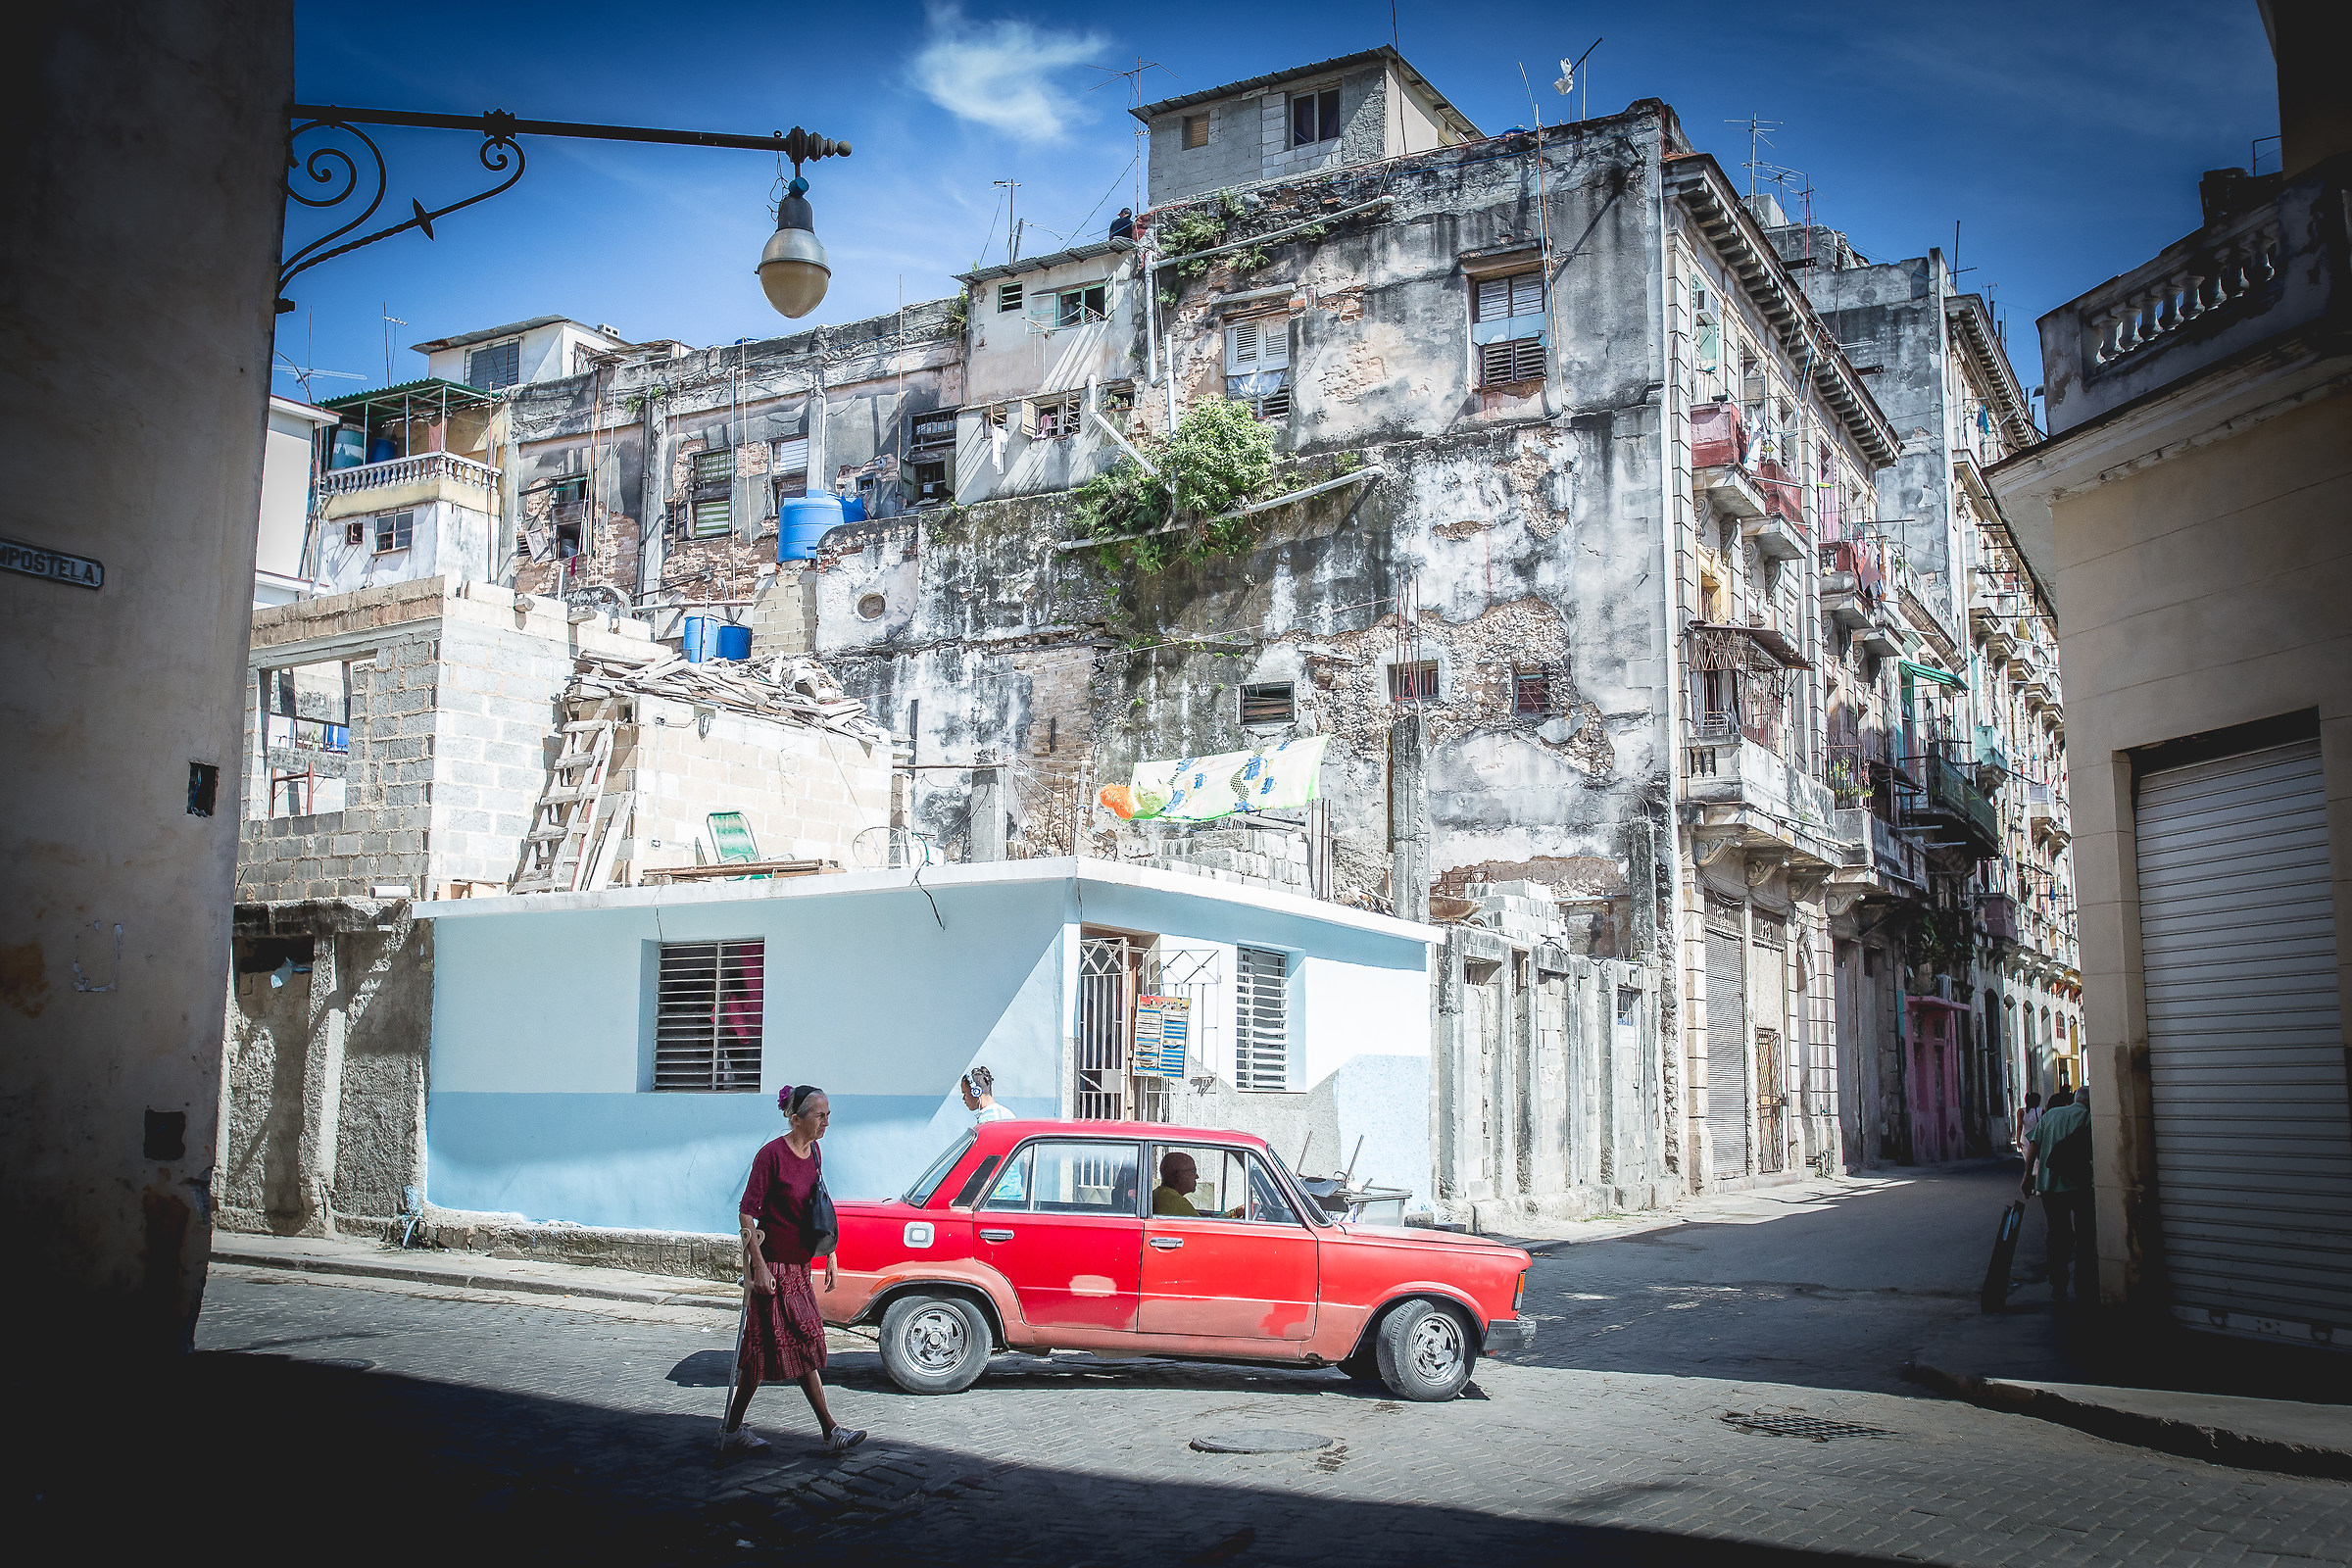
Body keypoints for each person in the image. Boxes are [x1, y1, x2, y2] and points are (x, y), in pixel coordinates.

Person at [724, 1084, 866, 1455]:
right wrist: (758, 1267)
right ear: (795, 1117)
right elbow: (746, 1212)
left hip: (799, 1267)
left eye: (828, 1115)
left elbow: (819, 1204)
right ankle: (829, 1430)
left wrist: (830, 1253)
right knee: (772, 1349)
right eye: (820, 1115)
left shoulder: (815, 1153)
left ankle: (734, 1427)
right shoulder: (770, 1156)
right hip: (772, 1267)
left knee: (778, 1350)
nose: (826, 1123)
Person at [2021, 1085, 2095, 1312]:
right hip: (2078, 1185)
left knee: (2056, 1235)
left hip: (2049, 1185)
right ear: (2089, 1102)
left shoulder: (2051, 1114)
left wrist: (2027, 1177)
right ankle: (2084, 1284)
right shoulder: (2089, 1117)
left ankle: (2058, 1285)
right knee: (2085, 1236)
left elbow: (2033, 1145)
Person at [1151, 1151, 1242, 1218]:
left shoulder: (1161, 1195)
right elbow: (1205, 1228)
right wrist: (1233, 1214)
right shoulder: (1175, 1202)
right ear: (1180, 1176)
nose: (1197, 1176)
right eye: (1193, 1171)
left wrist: (1234, 1213)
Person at [2014, 1091, 2042, 1155]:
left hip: (2025, 1139)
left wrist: (2018, 1140)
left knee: (2028, 1159)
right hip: (2037, 1138)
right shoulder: (2041, 1111)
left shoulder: (2021, 1111)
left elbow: (2019, 1126)